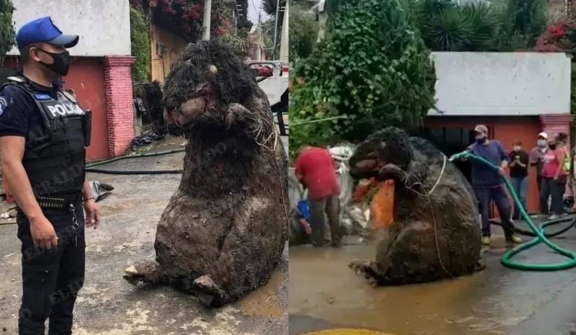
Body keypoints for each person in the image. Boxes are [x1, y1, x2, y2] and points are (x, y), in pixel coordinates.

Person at [0, 17, 100, 334]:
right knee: (37, 305)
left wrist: (88, 197)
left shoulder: (64, 96)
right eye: (57, 47)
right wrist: (35, 217)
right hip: (45, 215)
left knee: (66, 298)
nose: (64, 54)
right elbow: (9, 162)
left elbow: (73, 154)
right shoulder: (16, 98)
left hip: (72, 212)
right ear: (36, 53)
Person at [467, 125, 521, 245]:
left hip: (497, 183)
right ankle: (485, 234)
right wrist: (465, 156)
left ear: (485, 134)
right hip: (481, 185)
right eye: (476, 134)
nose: (477, 136)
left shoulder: (496, 144)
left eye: (479, 134)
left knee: (506, 208)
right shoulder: (472, 148)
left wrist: (502, 167)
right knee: (484, 211)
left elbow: (506, 157)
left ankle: (510, 233)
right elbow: (467, 157)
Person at [295, 146, 342, 247]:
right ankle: (336, 241)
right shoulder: (325, 152)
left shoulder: (302, 157)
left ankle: (319, 242)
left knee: (317, 216)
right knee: (334, 215)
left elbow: (299, 175)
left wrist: (305, 185)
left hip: (318, 189)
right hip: (333, 186)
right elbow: (332, 167)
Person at [541, 133, 569, 220]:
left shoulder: (559, 150)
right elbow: (546, 162)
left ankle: (558, 212)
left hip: (556, 176)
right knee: (543, 195)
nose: (550, 143)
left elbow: (561, 163)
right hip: (547, 176)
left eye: (552, 141)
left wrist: (557, 175)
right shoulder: (548, 151)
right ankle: (545, 212)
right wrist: (543, 170)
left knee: (555, 195)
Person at [508, 139, 529, 220]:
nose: (516, 147)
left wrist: (518, 162)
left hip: (523, 176)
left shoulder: (525, 154)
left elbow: (524, 166)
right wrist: (515, 161)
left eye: (517, 145)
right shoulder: (510, 154)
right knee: (515, 196)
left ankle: (524, 213)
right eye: (514, 145)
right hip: (514, 177)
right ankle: (516, 213)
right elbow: (510, 166)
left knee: (522, 196)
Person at [529, 132, 549, 213]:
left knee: (553, 193)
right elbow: (532, 163)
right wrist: (539, 160)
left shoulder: (550, 149)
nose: (541, 140)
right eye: (540, 139)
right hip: (541, 174)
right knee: (542, 194)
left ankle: (554, 210)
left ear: (546, 140)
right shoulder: (534, 150)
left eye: (543, 139)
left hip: (551, 174)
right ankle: (544, 211)